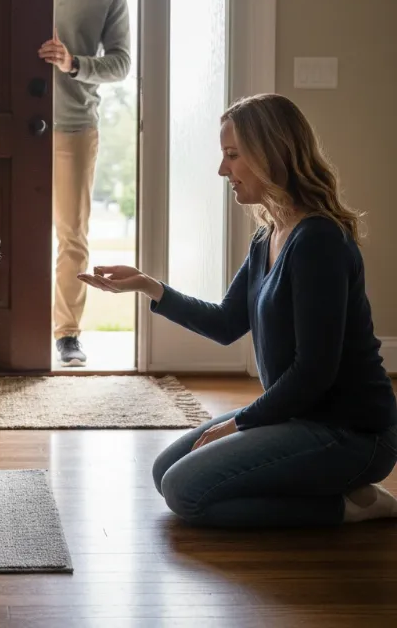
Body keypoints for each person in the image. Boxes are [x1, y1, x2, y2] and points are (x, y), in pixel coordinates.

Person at [79, 93, 397, 528]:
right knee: (164, 471)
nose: (222, 169)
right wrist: (148, 286)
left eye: (233, 155)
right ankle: (317, 483)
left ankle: (351, 505)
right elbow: (226, 323)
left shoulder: (318, 241)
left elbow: (314, 373)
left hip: (352, 433)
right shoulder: (268, 236)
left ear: (270, 154)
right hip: (299, 416)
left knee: (185, 492)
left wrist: (241, 424)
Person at [38, 0, 131, 367]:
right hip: (18, 126)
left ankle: (67, 334)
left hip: (74, 127)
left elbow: (121, 63)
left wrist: (74, 63)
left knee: (71, 235)